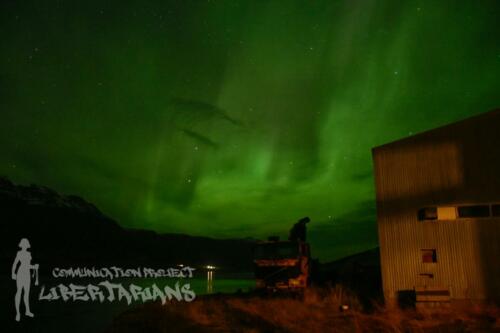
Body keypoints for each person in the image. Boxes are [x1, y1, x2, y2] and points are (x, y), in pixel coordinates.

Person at [12, 238, 38, 322]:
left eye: (26, 244)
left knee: (26, 293)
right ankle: (18, 313)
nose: (25, 246)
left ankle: (27, 311)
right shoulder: (19, 253)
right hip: (21, 273)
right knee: (19, 291)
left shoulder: (29, 254)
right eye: (23, 244)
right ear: (21, 245)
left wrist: (34, 268)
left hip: (27, 274)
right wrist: (13, 273)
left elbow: (28, 265)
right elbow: (15, 263)